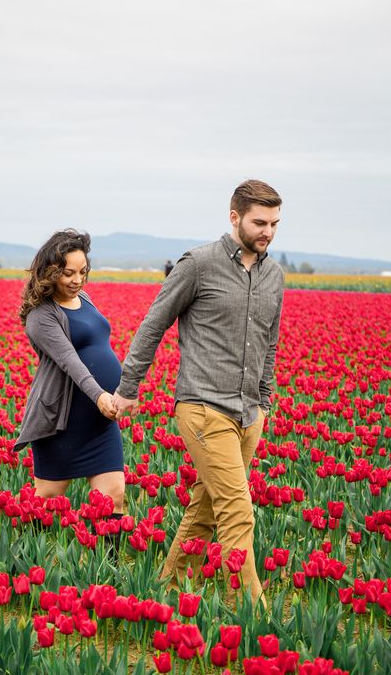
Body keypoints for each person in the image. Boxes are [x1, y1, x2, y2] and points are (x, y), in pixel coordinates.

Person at [112, 179, 285, 604]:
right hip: (204, 409)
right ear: (234, 217)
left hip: (248, 414)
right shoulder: (199, 264)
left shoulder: (274, 276)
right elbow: (155, 322)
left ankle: (167, 591)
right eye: (259, 222)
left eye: (275, 224)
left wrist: (263, 402)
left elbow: (269, 341)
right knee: (237, 511)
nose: (268, 231)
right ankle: (252, 613)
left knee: (205, 509)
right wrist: (129, 385)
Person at [15, 229, 125, 517]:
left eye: (83, 272)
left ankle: (107, 561)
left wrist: (125, 387)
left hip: (100, 421)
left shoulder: (85, 298)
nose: (77, 280)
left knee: (113, 496)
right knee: (47, 501)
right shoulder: (41, 316)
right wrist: (100, 394)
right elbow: (70, 361)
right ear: (50, 273)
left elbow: (101, 347)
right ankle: (25, 560)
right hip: (62, 422)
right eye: (68, 273)